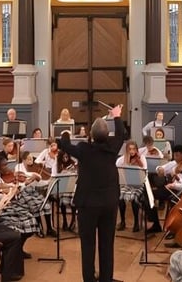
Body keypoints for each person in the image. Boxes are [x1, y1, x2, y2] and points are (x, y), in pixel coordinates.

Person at [58, 104, 125, 282]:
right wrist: (116, 116)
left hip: (87, 204)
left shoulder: (83, 149)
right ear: (107, 136)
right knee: (107, 243)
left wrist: (65, 132)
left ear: (91, 136)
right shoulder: (112, 147)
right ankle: (106, 278)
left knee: (87, 245)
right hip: (109, 203)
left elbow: (64, 144)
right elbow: (121, 134)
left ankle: (89, 278)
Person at [146, 144, 182, 234]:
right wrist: (160, 169)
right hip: (172, 189)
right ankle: (155, 223)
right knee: (148, 195)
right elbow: (162, 168)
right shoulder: (175, 163)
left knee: (171, 199)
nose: (176, 158)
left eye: (178, 156)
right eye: (174, 155)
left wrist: (174, 185)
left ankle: (173, 228)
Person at [115, 140, 146, 232]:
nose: (132, 151)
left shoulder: (142, 158)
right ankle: (123, 221)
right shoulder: (121, 159)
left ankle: (136, 223)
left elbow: (144, 171)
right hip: (126, 184)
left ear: (136, 150)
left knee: (134, 198)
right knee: (120, 197)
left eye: (134, 149)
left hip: (138, 184)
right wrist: (126, 161)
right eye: (130, 149)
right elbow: (118, 172)